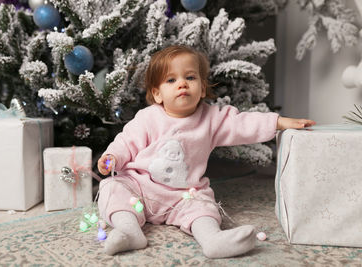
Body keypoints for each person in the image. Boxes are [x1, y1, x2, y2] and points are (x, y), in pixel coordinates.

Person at [97, 45, 315, 258]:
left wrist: (280, 121)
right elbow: (126, 142)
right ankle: (129, 230)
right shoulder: (148, 117)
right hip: (141, 188)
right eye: (171, 80)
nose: (182, 83)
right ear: (157, 94)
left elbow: (243, 123)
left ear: (202, 88)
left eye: (190, 78)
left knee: (203, 205)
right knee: (112, 188)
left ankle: (213, 240)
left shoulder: (211, 119)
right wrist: (112, 157)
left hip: (182, 195)